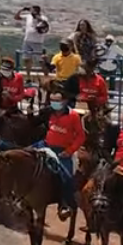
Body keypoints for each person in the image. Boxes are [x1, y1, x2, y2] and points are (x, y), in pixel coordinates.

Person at [40, 91, 85, 220]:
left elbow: (81, 137)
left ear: (64, 101)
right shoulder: (48, 112)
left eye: (57, 100)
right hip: (46, 145)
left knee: (67, 177)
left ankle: (65, 205)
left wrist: (69, 151)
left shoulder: (73, 116)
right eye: (52, 100)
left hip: (63, 152)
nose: (54, 103)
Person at [16, 6, 50, 80]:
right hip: (27, 40)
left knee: (40, 60)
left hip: (37, 42)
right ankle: (28, 77)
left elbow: (44, 27)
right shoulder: (28, 17)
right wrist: (22, 10)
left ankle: (46, 77)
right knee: (27, 59)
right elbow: (17, 17)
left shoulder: (43, 18)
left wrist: (37, 17)